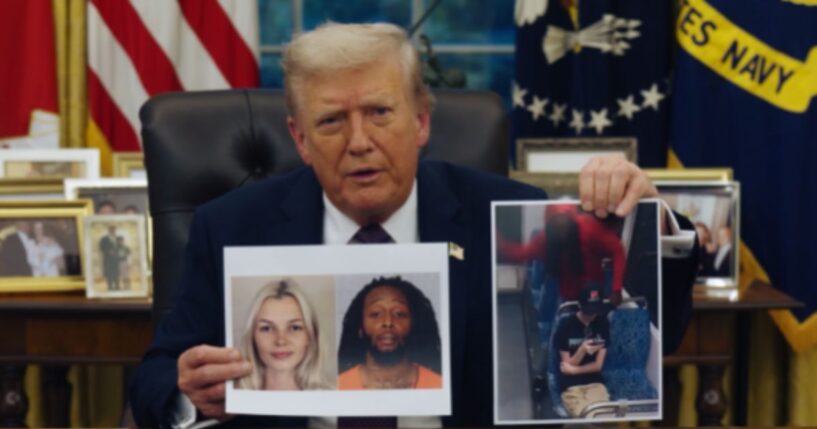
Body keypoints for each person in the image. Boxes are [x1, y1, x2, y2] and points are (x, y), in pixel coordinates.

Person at [130, 22, 698, 428]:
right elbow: (155, 375)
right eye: (331, 121)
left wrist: (651, 220)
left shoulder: (505, 217)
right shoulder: (232, 225)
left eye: (380, 113)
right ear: (300, 140)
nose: (359, 142)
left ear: (422, 122)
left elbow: (658, 336)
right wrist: (186, 390)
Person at [497, 204, 627, 306]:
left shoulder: (589, 227)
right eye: (558, 231)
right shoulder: (543, 241)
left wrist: (616, 289)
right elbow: (522, 253)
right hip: (567, 295)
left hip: (593, 289)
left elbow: (617, 250)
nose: (563, 236)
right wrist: (500, 245)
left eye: (566, 230)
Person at [337, 276, 442, 390]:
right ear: (360, 327)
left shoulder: (439, 385)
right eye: (376, 314)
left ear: (414, 325)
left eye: (399, 314)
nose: (388, 322)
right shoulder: (338, 386)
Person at [235, 279, 330, 391]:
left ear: (310, 336)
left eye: (294, 328)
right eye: (267, 328)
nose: (281, 341)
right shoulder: (231, 399)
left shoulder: (333, 398)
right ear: (252, 337)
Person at [553, 284, 610, 418]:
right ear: (580, 306)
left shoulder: (602, 323)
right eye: (588, 311)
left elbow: (598, 366)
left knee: (601, 415)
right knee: (584, 417)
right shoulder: (565, 326)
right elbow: (566, 363)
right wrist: (582, 350)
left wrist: (574, 370)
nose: (591, 315)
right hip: (571, 386)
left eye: (594, 311)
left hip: (595, 382)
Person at [99, 225, 120, 290]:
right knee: (109, 274)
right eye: (111, 229)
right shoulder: (104, 239)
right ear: (109, 230)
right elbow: (101, 248)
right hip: (108, 259)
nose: (113, 231)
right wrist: (108, 251)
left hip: (116, 260)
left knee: (116, 273)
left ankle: (117, 287)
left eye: (114, 229)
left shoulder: (118, 238)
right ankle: (110, 287)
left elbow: (121, 247)